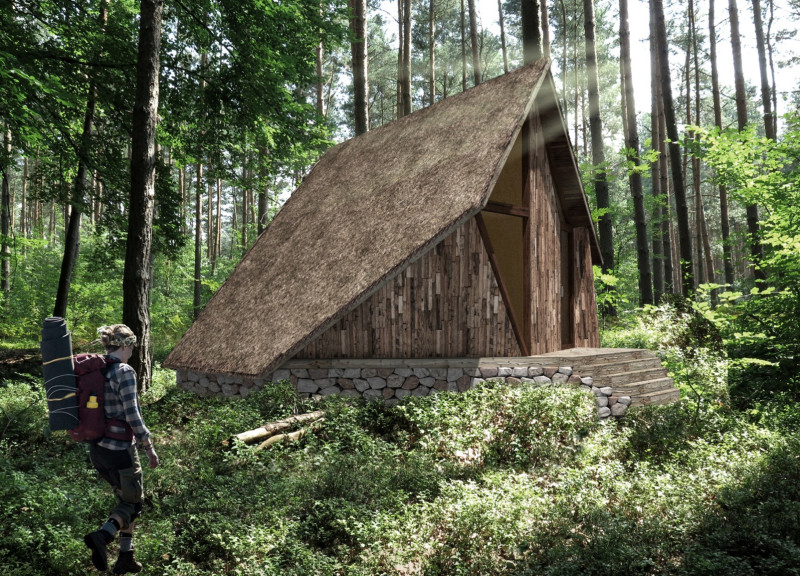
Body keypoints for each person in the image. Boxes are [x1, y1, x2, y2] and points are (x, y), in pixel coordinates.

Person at [83, 324, 159, 574]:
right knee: (134, 503)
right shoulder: (124, 371)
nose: (132, 352)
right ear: (125, 345)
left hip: (97, 450)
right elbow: (132, 414)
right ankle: (103, 536)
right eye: (132, 347)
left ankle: (126, 556)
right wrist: (148, 446)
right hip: (120, 450)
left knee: (124, 499)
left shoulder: (96, 370)